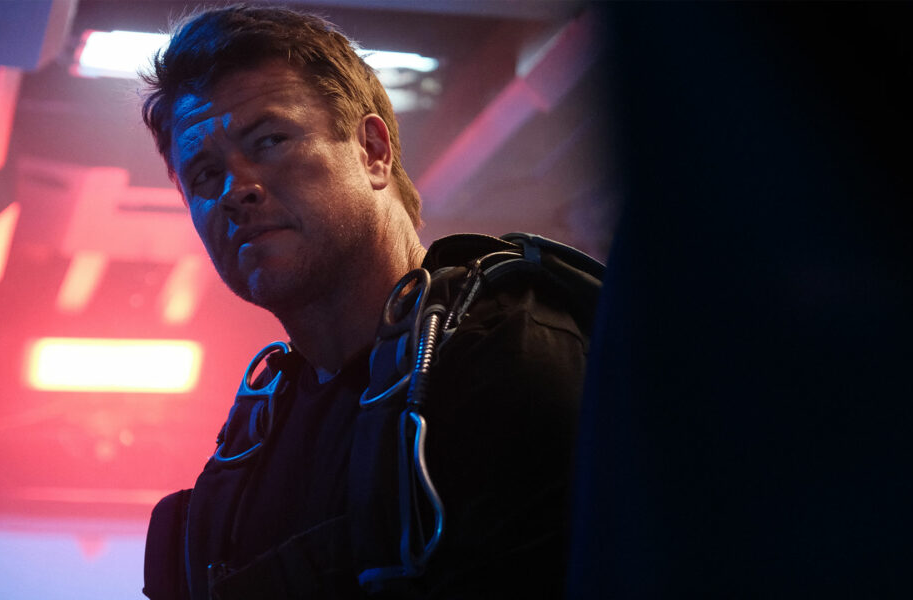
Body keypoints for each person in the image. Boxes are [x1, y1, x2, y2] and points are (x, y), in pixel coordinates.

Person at [139, 5, 598, 599]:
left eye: (270, 141)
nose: (236, 189)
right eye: (204, 175)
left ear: (373, 150)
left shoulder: (514, 350)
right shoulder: (251, 448)